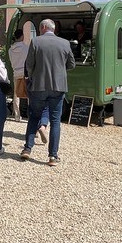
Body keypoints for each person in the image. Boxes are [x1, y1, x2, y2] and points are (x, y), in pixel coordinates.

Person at [22, 19, 75, 166]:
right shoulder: (65, 43)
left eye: (40, 28)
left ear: (44, 27)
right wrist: (59, 70)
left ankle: (27, 149)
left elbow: (29, 65)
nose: (39, 31)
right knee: (56, 121)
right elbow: (71, 64)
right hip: (58, 87)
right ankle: (53, 156)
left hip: (38, 86)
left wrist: (32, 77)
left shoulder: (35, 42)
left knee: (34, 117)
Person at [8, 29, 49, 143]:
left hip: (16, 72)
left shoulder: (10, 49)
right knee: (30, 95)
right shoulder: (26, 48)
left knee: (16, 94)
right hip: (26, 73)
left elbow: (11, 61)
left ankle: (17, 115)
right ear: (21, 36)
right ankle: (31, 117)